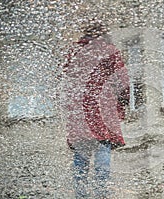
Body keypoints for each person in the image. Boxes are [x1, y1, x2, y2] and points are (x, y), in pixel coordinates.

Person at [61, 19, 130, 198]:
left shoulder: (74, 52)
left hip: (79, 109)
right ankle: (101, 193)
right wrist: (123, 104)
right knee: (102, 146)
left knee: (81, 153)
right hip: (103, 107)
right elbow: (123, 82)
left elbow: (65, 80)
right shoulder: (110, 52)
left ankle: (80, 194)